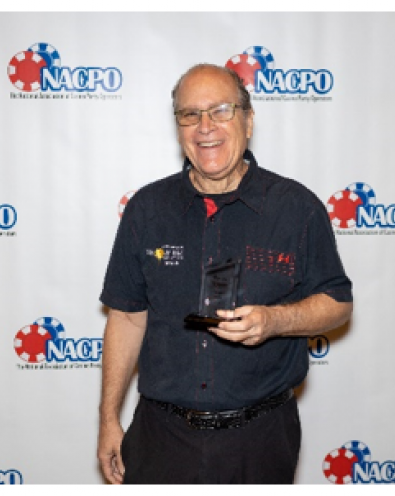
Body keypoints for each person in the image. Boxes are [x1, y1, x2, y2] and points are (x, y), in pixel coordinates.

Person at [95, 64, 353, 484]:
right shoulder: (147, 209)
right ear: (178, 127)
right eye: (189, 114)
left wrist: (275, 320)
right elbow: (126, 316)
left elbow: (338, 304)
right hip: (160, 438)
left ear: (248, 120)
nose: (204, 127)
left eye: (220, 110)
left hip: (260, 440)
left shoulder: (297, 209)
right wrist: (107, 419)